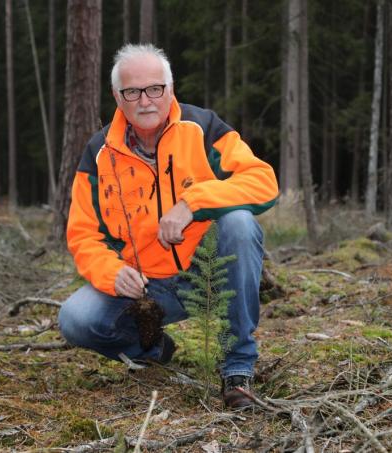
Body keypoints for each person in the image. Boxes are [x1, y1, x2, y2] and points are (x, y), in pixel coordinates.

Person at [58, 43, 279, 409]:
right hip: (146, 290)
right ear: (117, 96)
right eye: (133, 91)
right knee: (75, 318)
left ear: (170, 88)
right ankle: (154, 347)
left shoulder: (203, 128)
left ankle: (237, 368)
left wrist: (193, 203)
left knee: (240, 223)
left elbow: (263, 181)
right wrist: (112, 272)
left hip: (206, 274)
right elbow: (83, 235)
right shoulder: (99, 154)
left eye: (155, 88)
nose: (146, 100)